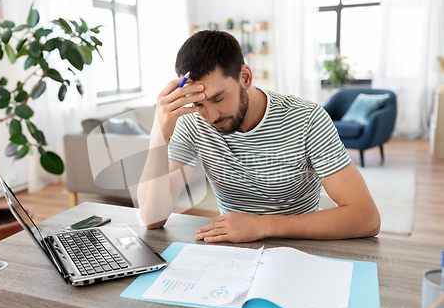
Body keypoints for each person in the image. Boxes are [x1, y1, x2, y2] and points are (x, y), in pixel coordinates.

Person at [137, 30, 380, 243]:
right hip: (235, 248)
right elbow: (151, 218)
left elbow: (366, 217)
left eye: (218, 98)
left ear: (245, 77)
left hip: (303, 246)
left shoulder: (307, 119)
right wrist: (159, 134)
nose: (210, 117)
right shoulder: (193, 122)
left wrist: (261, 226)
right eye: (199, 104)